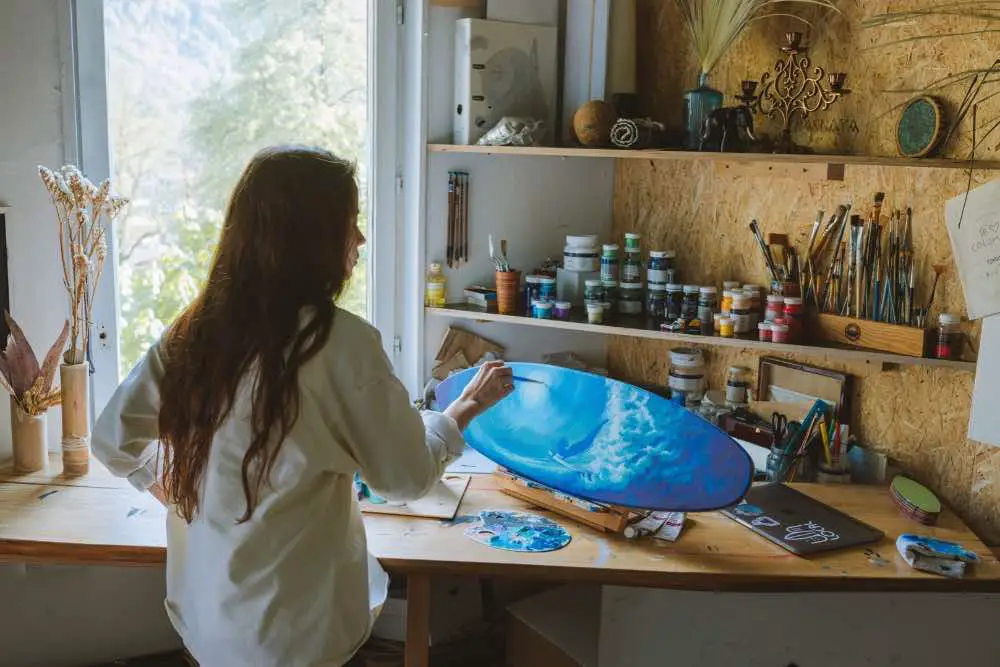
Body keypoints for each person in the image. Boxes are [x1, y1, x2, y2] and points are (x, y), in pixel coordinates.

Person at [92, 145, 513, 667]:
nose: (360, 239)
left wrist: (175, 491)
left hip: (208, 629)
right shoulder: (342, 343)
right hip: (301, 640)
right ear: (308, 239)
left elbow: (110, 441)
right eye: (350, 222)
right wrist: (461, 412)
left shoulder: (194, 334)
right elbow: (403, 480)